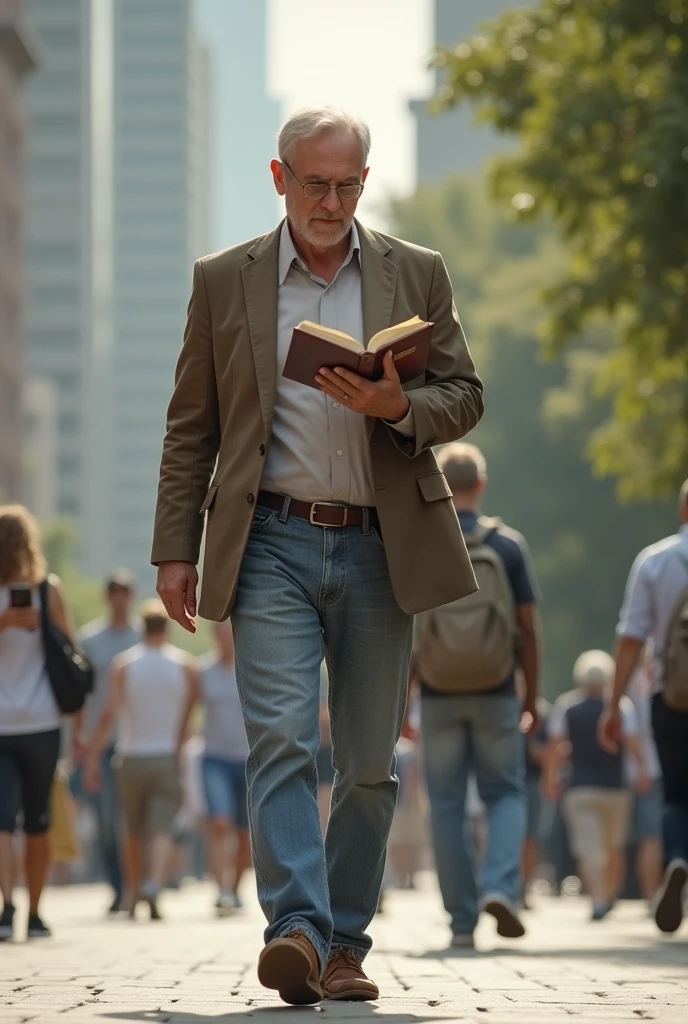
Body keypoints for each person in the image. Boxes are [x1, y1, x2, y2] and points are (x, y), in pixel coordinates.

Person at [151, 106, 483, 1005]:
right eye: (314, 184)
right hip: (268, 541)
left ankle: (345, 942)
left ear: (364, 182)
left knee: (370, 766)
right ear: (278, 177)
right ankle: (294, 928)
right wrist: (174, 550)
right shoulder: (226, 281)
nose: (331, 201)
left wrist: (399, 411)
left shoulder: (418, 271)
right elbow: (193, 427)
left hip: (384, 545)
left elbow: (464, 395)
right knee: (283, 742)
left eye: (347, 184)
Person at [413, 443, 541, 949]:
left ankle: (462, 922)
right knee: (505, 791)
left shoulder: (423, 542)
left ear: (442, 487)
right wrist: (530, 694)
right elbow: (528, 629)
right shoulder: (508, 546)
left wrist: (405, 698)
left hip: (439, 692)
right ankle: (501, 887)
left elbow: (408, 626)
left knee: (444, 805)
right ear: (480, 486)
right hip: (495, 690)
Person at [599, 479, 688, 934]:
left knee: (674, 794)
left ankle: (678, 858)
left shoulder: (656, 560)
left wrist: (614, 704)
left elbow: (632, 636)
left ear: (683, 510)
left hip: (671, 694)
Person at [84, 601, 198, 920]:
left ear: (142, 628)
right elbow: (187, 719)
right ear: (167, 628)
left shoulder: (124, 664)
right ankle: (153, 883)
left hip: (131, 756)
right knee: (161, 828)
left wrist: (92, 757)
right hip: (166, 757)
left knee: (131, 829)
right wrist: (178, 752)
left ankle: (132, 893)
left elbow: (108, 714)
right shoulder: (186, 666)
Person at [0, 505, 77, 940]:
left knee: (34, 821)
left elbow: (70, 654)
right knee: (8, 820)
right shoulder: (45, 588)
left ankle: (27, 909)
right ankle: (15, 907)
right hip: (13, 726)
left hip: (42, 721)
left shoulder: (48, 590)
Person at [545, 650, 648, 921]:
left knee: (589, 848)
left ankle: (599, 898)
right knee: (615, 846)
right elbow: (632, 743)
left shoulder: (566, 706)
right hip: (615, 788)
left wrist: (550, 777)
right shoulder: (620, 706)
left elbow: (555, 747)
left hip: (580, 789)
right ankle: (609, 895)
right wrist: (642, 771)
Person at [71, 570, 139, 913]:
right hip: (102, 740)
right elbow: (80, 693)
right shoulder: (90, 640)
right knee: (108, 821)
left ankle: (135, 886)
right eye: (113, 590)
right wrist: (80, 738)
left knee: (133, 819)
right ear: (107, 595)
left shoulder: (143, 637)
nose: (119, 597)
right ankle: (118, 886)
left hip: (136, 740)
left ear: (131, 595)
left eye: (124, 591)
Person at [199, 621, 251, 915]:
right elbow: (189, 709)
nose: (224, 639)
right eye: (219, 633)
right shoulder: (203, 672)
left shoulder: (250, 667)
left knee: (244, 831)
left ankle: (235, 888)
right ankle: (221, 888)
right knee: (219, 823)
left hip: (247, 758)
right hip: (214, 758)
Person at [626, 655, 664, 907]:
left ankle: (652, 898)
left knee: (651, 837)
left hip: (647, 770)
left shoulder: (631, 684)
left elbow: (631, 732)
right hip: (665, 766)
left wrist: (639, 768)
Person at [522, 694, 551, 906]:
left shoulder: (541, 714)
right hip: (504, 782)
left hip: (531, 782)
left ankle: (523, 888)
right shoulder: (505, 708)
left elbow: (546, 752)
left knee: (531, 837)